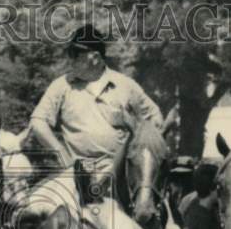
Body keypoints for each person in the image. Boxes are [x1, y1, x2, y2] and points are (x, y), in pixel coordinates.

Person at [25, 23, 163, 175]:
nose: (70, 60)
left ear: (95, 58)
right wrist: (60, 152)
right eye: (70, 54)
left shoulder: (126, 86)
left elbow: (154, 118)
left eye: (76, 55)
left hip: (122, 174)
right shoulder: (61, 86)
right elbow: (38, 121)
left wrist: (142, 150)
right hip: (79, 173)